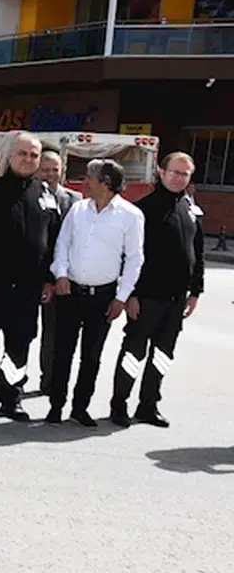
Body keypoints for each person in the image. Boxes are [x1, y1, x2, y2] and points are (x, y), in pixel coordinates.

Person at [0, 133, 59, 421]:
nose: (28, 159)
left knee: (18, 348)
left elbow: (53, 239)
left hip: (28, 290)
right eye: (23, 154)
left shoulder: (45, 194)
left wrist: (49, 279)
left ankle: (11, 399)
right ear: (10, 156)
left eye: (34, 155)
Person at [109, 151, 205, 428]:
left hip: (177, 300)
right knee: (133, 353)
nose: (179, 178)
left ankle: (148, 406)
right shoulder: (143, 210)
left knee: (163, 355)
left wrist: (195, 291)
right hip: (147, 298)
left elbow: (197, 253)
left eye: (185, 174)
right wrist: (131, 295)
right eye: (175, 172)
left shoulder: (189, 208)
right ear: (161, 172)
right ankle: (119, 405)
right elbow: (128, 256)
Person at [46, 158, 144, 427]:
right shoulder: (78, 209)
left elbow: (134, 259)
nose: (85, 182)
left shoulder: (130, 215)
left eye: (89, 177)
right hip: (70, 292)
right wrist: (61, 274)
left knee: (91, 356)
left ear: (106, 182)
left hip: (103, 297)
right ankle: (56, 405)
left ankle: (80, 408)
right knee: (62, 351)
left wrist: (121, 297)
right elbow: (62, 244)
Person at [36, 150, 82, 394]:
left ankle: (50, 380)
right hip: (32, 276)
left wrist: (57, 277)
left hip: (61, 276)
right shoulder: (30, 196)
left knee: (53, 331)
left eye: (55, 170)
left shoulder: (75, 200)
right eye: (45, 169)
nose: (50, 174)